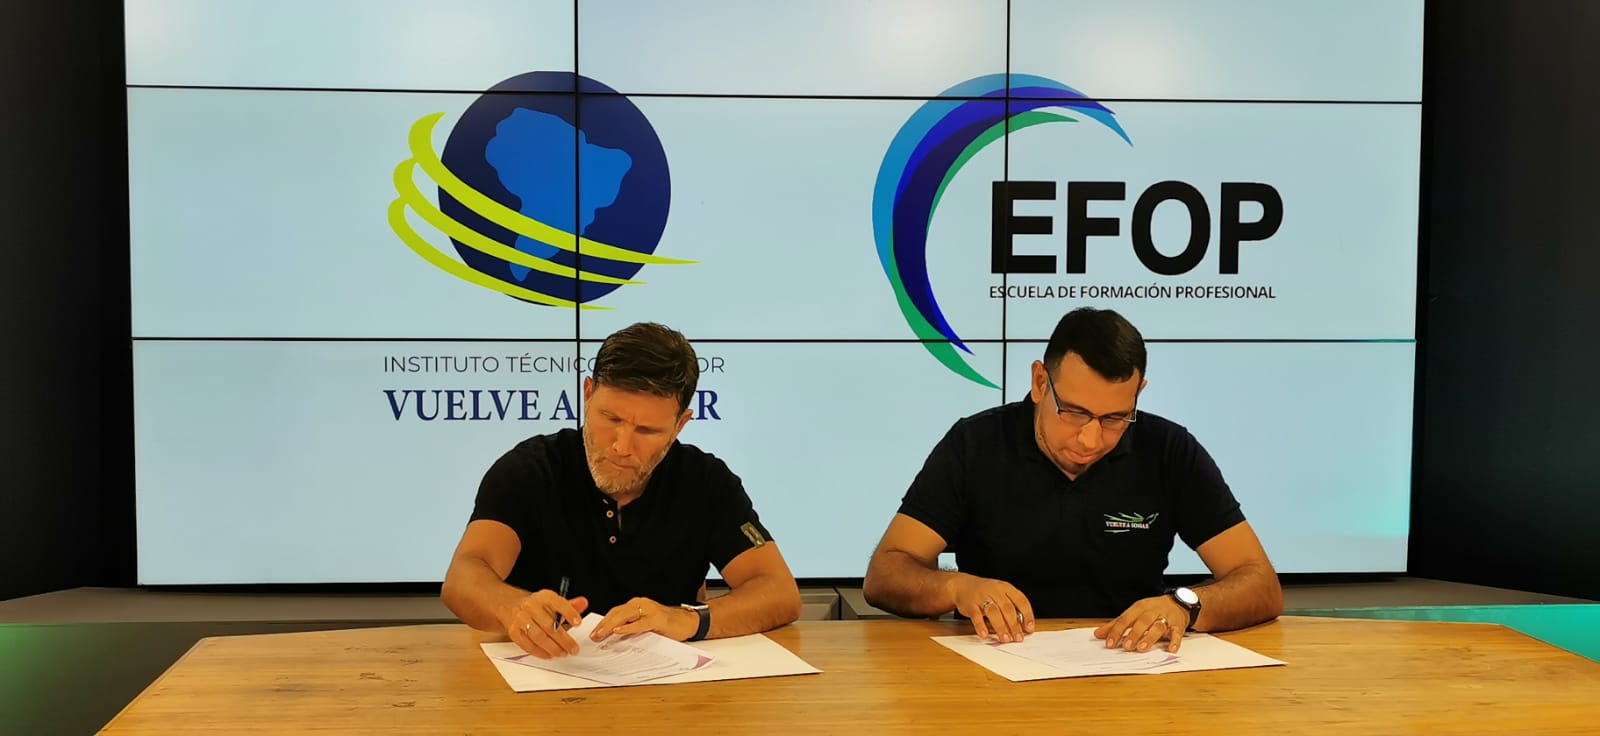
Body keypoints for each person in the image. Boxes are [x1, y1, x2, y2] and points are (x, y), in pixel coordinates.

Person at [863, 307, 1282, 653]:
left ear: (1139, 393)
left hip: (1131, 667)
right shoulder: (975, 444)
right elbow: (886, 574)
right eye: (1075, 413)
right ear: (1039, 383)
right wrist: (957, 587)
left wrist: (1186, 605)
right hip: (994, 667)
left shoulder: (1169, 450)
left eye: (1115, 418)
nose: (1091, 439)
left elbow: (1259, 582)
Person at [442, 322, 801, 658]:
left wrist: (685, 619)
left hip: (670, 684)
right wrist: (512, 607)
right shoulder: (529, 470)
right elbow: (464, 577)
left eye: (647, 431)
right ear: (587, 395)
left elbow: (779, 592)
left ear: (680, 425)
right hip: (542, 673)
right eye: (610, 419)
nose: (621, 446)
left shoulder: (706, 481)